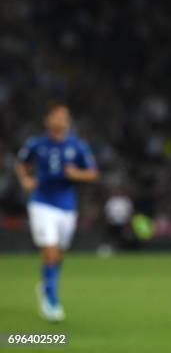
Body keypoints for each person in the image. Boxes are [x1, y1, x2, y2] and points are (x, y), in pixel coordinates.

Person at [15, 103, 99, 321]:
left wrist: (75, 174)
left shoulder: (77, 146)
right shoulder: (36, 144)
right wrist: (25, 179)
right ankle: (51, 299)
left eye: (65, 117)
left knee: (59, 253)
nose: (61, 121)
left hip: (67, 206)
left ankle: (47, 284)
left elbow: (92, 174)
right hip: (41, 203)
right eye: (57, 116)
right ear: (48, 120)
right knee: (50, 251)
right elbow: (21, 163)